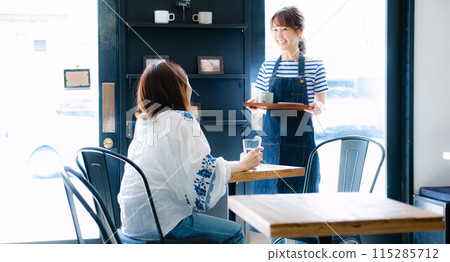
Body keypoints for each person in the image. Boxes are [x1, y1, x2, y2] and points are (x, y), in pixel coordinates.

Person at [118, 61, 262, 244]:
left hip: (131, 223)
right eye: (185, 82)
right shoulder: (182, 120)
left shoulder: (144, 122)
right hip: (163, 222)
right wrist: (242, 165)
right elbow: (204, 170)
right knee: (235, 232)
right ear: (177, 89)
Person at [247, 6, 328, 195]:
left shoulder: (315, 65)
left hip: (302, 141)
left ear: (299, 31)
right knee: (268, 197)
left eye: (284, 29)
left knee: (300, 196)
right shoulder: (267, 66)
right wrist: (253, 105)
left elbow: (322, 103)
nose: (278, 35)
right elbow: (258, 101)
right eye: (275, 30)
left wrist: (318, 107)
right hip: (270, 143)